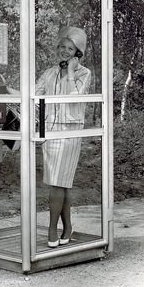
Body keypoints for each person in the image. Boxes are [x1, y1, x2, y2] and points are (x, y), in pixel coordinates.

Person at [36, 26, 91, 248]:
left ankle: (52, 229)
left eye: (71, 48)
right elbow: (33, 92)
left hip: (69, 131)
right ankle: (67, 227)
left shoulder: (83, 73)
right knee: (60, 182)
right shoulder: (49, 73)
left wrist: (70, 71)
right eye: (62, 47)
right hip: (50, 130)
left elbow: (74, 98)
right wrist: (2, 89)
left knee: (57, 182)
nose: (65, 51)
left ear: (78, 53)